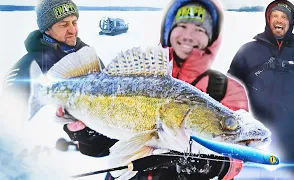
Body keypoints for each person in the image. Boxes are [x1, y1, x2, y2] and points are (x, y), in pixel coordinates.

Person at [59, 0, 249, 179]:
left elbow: (240, 152)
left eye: (199, 29)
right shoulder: (128, 81)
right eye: (181, 26)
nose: (188, 35)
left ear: (211, 37)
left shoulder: (227, 89)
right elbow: (108, 147)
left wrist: (217, 165)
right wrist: (87, 137)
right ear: (168, 30)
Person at [227, 0, 294, 178]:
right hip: (257, 146)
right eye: (275, 16)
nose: (279, 20)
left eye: (284, 17)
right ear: (268, 19)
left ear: (290, 22)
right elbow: (230, 94)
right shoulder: (247, 51)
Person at [1, 0, 95, 129]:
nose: (72, 30)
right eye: (64, 24)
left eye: (74, 23)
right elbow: (12, 122)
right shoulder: (25, 67)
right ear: (47, 29)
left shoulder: (89, 59)